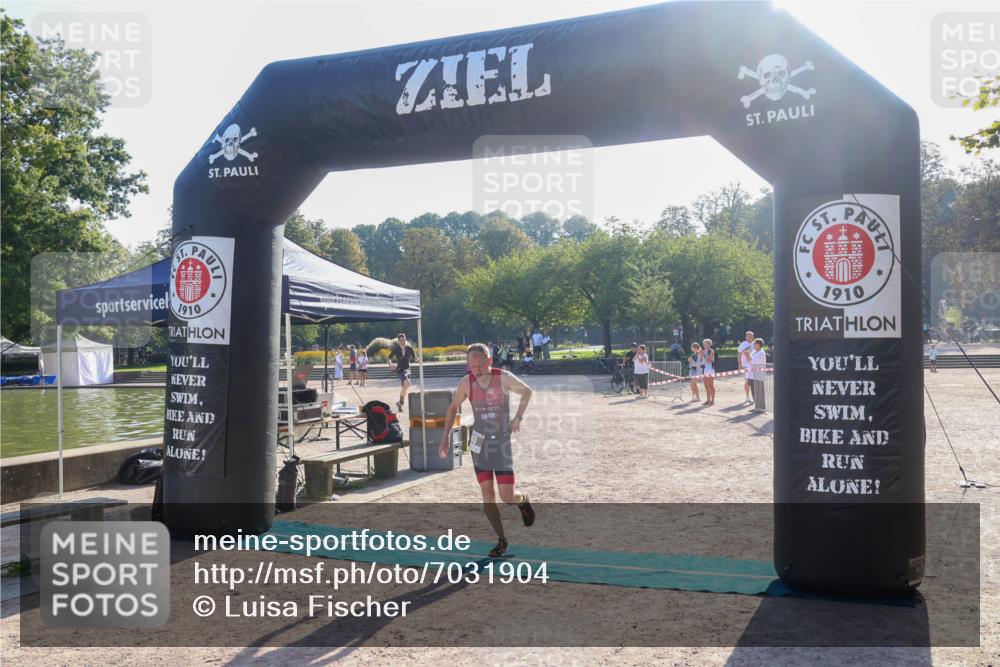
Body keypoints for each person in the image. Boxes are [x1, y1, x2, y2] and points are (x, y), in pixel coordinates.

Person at [439, 343, 535, 558]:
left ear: (490, 361)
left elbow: (527, 392)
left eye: (480, 366)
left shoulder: (503, 378)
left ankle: (523, 499)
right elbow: (453, 406)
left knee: (507, 497)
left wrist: (517, 417)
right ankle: (501, 540)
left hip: (500, 443)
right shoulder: (467, 383)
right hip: (479, 443)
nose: (476, 370)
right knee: (488, 494)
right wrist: (445, 437)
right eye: (471, 366)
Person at [388, 333, 419, 412]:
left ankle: (400, 403)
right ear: (398, 341)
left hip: (408, 370)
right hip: (400, 370)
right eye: (400, 340)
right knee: (408, 384)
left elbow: (415, 359)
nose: (402, 341)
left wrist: (417, 359)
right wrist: (390, 365)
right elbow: (389, 357)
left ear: (405, 340)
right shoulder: (397, 349)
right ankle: (400, 402)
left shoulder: (409, 349)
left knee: (404, 388)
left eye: (403, 340)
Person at [749, 338, 767, 414]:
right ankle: (757, 407)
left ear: (759, 345)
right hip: (754, 374)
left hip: (759, 374)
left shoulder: (761, 352)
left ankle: (761, 408)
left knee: (760, 391)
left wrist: (748, 357)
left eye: (755, 344)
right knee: (756, 391)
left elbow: (753, 362)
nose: (754, 345)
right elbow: (750, 361)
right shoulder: (754, 352)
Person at [737, 331, 754, 404]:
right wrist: (740, 365)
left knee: (753, 381)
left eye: (751, 336)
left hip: (754, 366)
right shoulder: (742, 344)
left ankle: (754, 397)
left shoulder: (755, 344)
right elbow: (739, 355)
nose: (749, 337)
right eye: (748, 336)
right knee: (747, 381)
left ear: (753, 337)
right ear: (746, 337)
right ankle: (747, 397)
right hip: (745, 366)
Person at [701, 338, 716, 406]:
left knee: (710, 385)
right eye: (704, 343)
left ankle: (712, 401)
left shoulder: (711, 351)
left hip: (710, 370)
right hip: (704, 370)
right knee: (706, 385)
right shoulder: (703, 351)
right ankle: (708, 400)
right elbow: (701, 361)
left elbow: (709, 360)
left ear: (709, 344)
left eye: (706, 343)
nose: (704, 345)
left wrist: (703, 355)